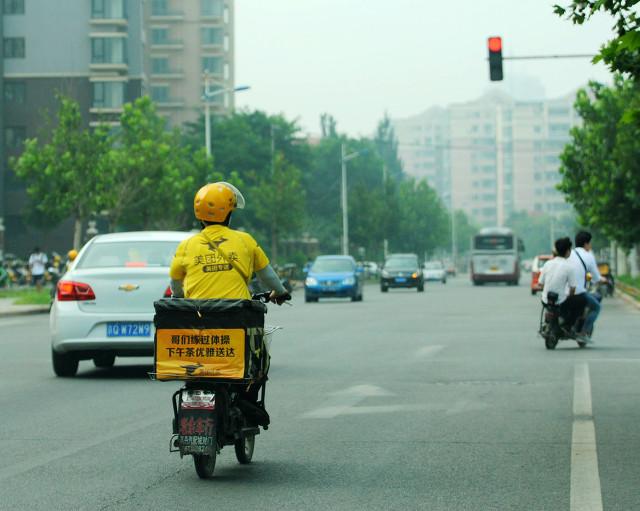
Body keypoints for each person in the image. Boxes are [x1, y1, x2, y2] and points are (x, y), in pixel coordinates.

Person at [169, 182, 290, 426]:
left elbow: (176, 287)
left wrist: (181, 299)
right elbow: (268, 276)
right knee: (259, 359)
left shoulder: (187, 245)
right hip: (237, 323)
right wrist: (280, 292)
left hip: (197, 326)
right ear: (230, 213)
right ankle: (245, 401)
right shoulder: (245, 241)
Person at [539, 237, 588, 341]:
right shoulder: (569, 267)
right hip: (560, 301)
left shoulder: (547, 264)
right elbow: (573, 288)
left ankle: (551, 322)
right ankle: (567, 325)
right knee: (582, 301)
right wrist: (569, 295)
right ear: (567, 251)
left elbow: (540, 284)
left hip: (545, 300)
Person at [568, 231, 604, 337]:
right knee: (597, 307)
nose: (590, 245)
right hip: (578, 292)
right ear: (586, 244)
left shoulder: (569, 253)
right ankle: (583, 332)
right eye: (590, 243)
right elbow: (596, 277)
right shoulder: (589, 255)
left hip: (564, 291)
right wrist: (604, 280)